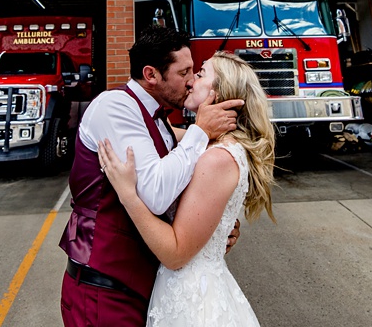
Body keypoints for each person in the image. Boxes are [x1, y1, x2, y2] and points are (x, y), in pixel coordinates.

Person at [59, 26, 244, 327]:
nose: (190, 81)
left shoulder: (158, 119)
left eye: (195, 71)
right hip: (104, 290)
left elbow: (191, 171)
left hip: (141, 286)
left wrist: (215, 226)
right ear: (151, 74)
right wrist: (201, 130)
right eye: (184, 72)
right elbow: (157, 195)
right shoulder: (115, 107)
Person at [98, 51, 277, 327]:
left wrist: (128, 196)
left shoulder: (217, 158)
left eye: (200, 73)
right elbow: (168, 134)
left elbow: (175, 253)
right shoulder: (210, 145)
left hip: (194, 304)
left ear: (218, 93)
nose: (191, 81)